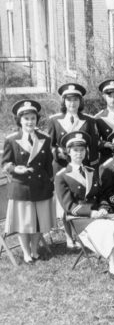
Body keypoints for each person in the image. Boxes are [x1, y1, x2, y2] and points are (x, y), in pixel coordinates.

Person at [55, 131, 114, 279]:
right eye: (75, 150)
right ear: (68, 152)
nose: (79, 153)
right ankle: (112, 267)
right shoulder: (61, 176)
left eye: (82, 150)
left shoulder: (91, 171)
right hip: (79, 219)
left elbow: (101, 195)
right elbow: (69, 206)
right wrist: (90, 212)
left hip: (97, 214)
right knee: (112, 227)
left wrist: (103, 207)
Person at [2, 100, 56, 264]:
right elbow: (5, 163)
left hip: (41, 186)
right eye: (26, 119)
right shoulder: (11, 139)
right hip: (22, 187)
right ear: (20, 121)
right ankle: (26, 253)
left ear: (36, 120)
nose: (30, 122)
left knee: (40, 221)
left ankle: (34, 250)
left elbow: (48, 165)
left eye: (33, 118)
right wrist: (14, 169)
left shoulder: (45, 139)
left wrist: (49, 183)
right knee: (24, 223)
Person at [47, 83, 100, 174]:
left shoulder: (89, 120)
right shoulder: (54, 120)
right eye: (69, 100)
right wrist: (57, 152)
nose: (72, 103)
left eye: (75, 99)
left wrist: (93, 170)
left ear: (80, 101)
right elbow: (49, 145)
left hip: (83, 166)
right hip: (61, 166)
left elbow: (93, 147)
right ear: (64, 101)